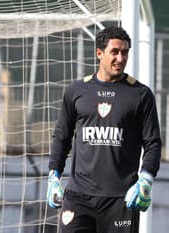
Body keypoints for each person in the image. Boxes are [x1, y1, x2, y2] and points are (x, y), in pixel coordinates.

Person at [46, 26, 162, 233]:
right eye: (115, 52)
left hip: (120, 201)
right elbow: (62, 136)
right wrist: (53, 176)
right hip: (78, 197)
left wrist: (146, 179)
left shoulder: (140, 94)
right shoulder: (76, 91)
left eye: (125, 52)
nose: (121, 58)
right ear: (99, 53)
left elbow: (152, 143)